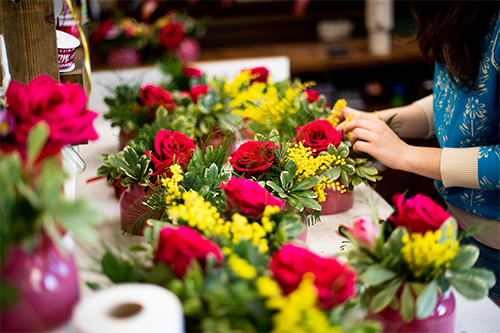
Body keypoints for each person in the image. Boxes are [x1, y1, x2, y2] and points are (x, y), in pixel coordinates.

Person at [338, 0, 500, 304]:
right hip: (460, 225)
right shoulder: (460, 13)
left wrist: (403, 155)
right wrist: (381, 123)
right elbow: (459, 97)